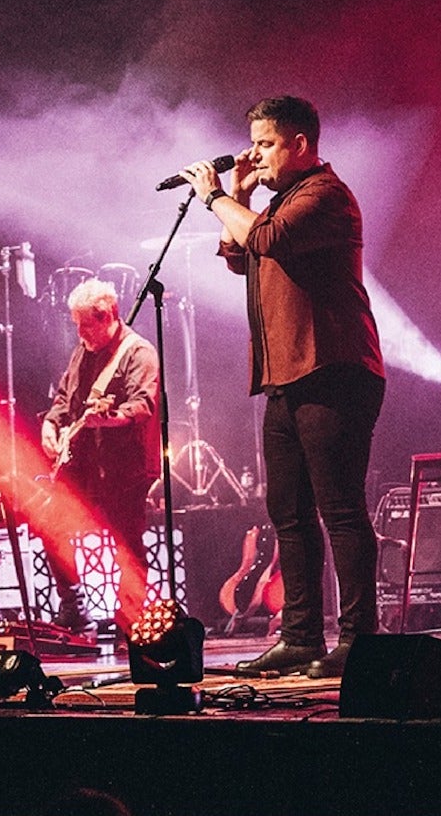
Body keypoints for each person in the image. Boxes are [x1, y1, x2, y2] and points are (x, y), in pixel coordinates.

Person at [185, 95, 386, 679]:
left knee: (340, 508)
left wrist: (216, 197)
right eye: (252, 143)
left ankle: (360, 639)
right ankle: (300, 637)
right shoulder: (277, 204)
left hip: (333, 370)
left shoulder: (324, 196)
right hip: (285, 377)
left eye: (266, 144)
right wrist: (240, 196)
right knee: (289, 513)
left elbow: (267, 241)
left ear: (300, 144)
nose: (255, 155)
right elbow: (240, 256)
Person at [39, 277, 160, 632]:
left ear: (107, 315)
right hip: (83, 463)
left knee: (125, 542)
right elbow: (65, 397)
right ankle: (73, 607)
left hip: (124, 467)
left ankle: (132, 618)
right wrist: (51, 423)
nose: (79, 334)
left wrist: (110, 419)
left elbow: (143, 404)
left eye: (85, 325)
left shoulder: (138, 353)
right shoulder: (83, 351)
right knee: (52, 526)